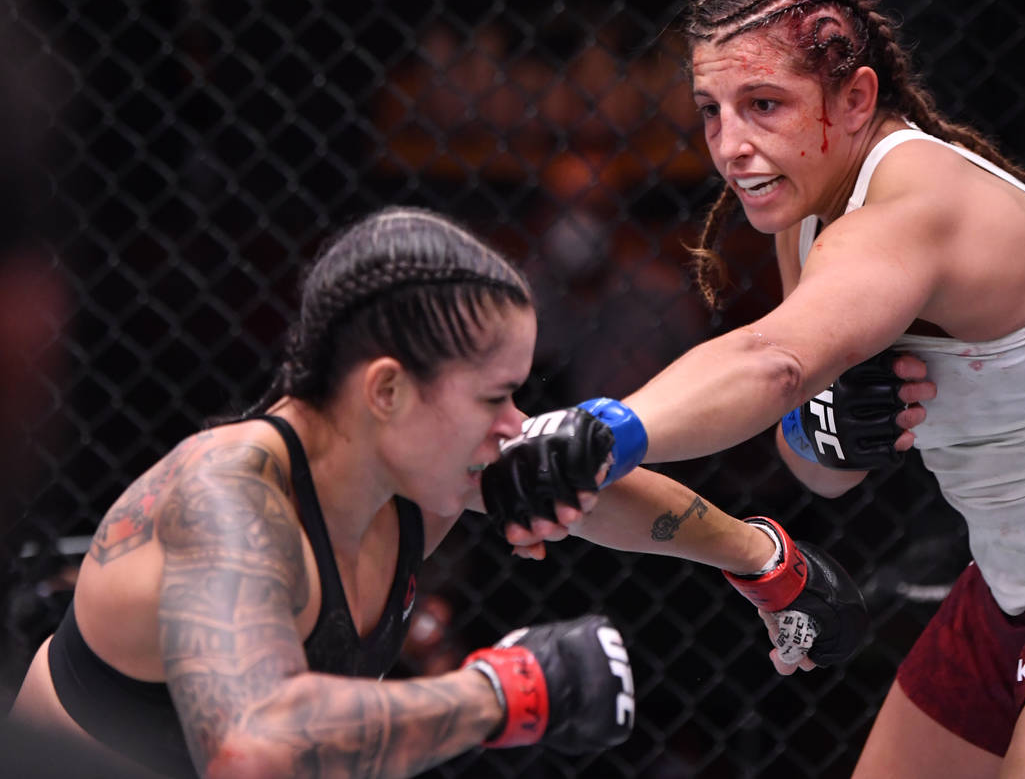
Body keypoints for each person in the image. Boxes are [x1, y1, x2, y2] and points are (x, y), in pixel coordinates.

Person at [482, 0, 1025, 779]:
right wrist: (823, 431)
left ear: (856, 98)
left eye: (764, 105)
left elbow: (773, 359)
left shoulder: (917, 201)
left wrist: (603, 430)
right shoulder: (808, 209)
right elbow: (822, 473)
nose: (731, 146)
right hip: (1014, 589)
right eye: (712, 110)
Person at [8, 205, 877, 779]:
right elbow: (257, 745)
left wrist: (764, 558)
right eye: (494, 397)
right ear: (387, 389)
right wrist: (505, 690)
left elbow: (579, 477)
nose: (514, 424)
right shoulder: (229, 500)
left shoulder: (410, 462)